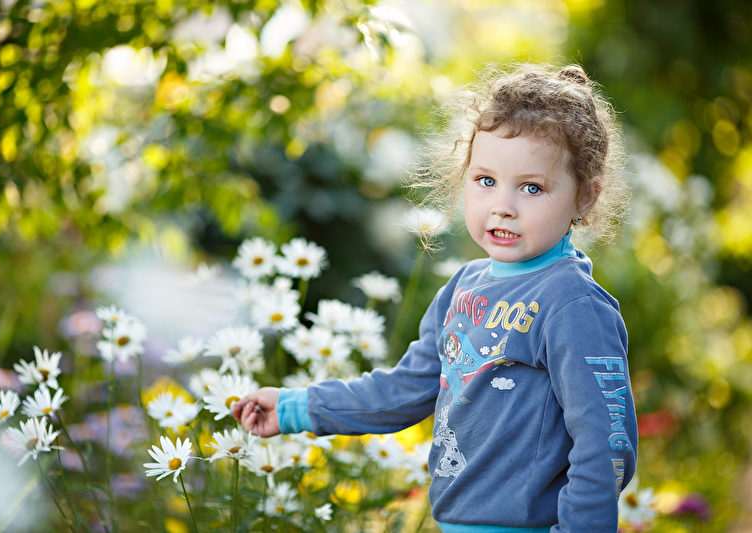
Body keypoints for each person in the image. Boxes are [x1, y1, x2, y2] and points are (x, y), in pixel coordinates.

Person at [232, 62, 638, 533]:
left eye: (532, 187)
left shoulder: (571, 304)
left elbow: (606, 444)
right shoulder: (464, 287)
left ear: (585, 198)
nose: (502, 205)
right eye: (485, 180)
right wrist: (294, 407)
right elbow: (404, 390)